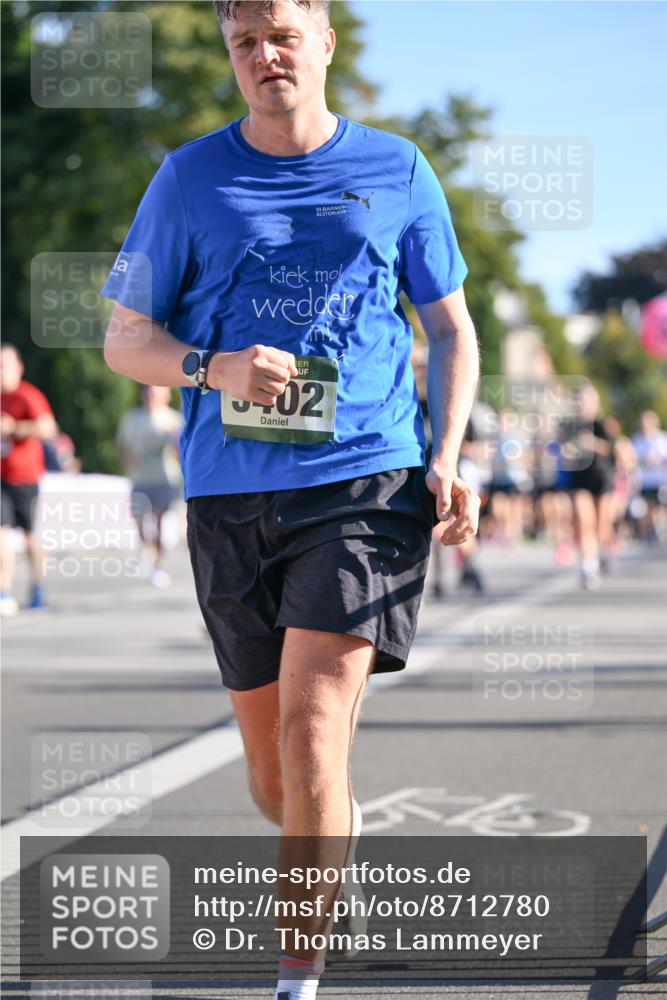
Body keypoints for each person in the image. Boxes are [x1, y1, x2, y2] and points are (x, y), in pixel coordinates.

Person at [102, 2, 480, 996]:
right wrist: (210, 364)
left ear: (322, 40)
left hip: (367, 480)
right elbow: (122, 337)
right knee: (281, 779)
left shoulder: (397, 169)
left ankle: (295, 979)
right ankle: (329, 834)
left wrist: (445, 452)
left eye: (281, 33)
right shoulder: (187, 178)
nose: (264, 55)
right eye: (244, 42)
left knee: (313, 732)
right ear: (231, 56)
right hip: (230, 496)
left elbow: (450, 329)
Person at [0, 343, 57, 615]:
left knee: (30, 536)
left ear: (18, 368)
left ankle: (37, 585)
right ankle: (3, 590)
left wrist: (15, 427)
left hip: (24, 478)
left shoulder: (27, 396)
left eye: (4, 366)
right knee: (2, 532)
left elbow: (49, 429)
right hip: (1, 478)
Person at [116, 384, 183, 588]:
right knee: (138, 519)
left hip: (164, 478)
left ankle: (159, 566)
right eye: (149, 391)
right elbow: (121, 444)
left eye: (157, 391)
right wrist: (126, 458)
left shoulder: (173, 419)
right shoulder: (132, 418)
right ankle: (145, 548)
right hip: (139, 477)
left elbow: (180, 448)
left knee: (159, 522)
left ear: (166, 395)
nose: (152, 395)